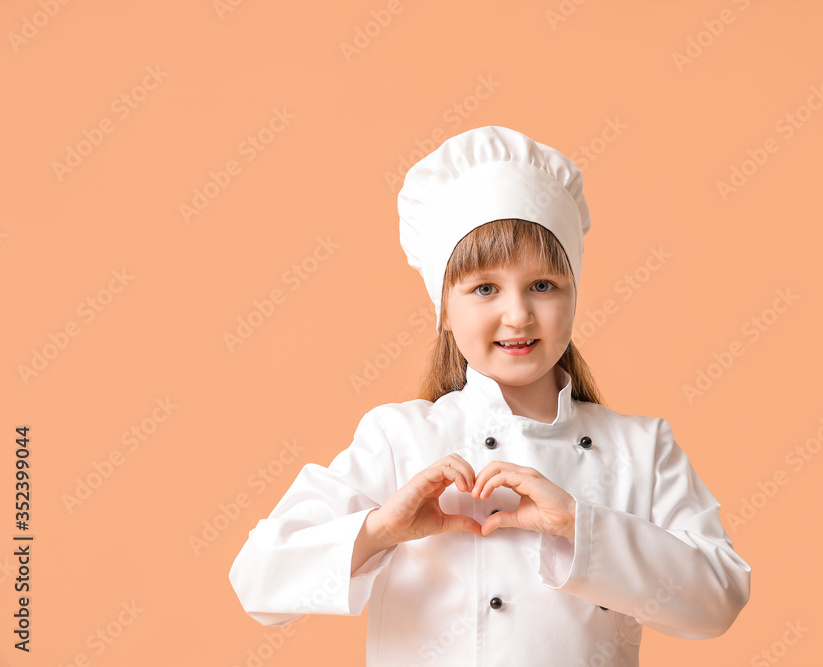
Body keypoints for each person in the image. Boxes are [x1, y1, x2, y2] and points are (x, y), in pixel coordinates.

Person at [229, 125, 751, 666]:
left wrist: (578, 525)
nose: (519, 314)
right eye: (485, 289)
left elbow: (717, 600)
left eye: (543, 285)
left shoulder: (641, 448)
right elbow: (258, 581)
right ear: (444, 312)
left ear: (574, 297)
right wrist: (382, 529)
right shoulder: (399, 438)